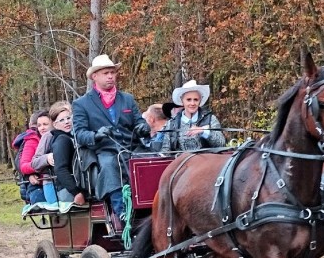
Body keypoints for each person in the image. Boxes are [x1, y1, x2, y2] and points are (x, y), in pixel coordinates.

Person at [72, 54, 151, 225]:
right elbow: (79, 134)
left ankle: (155, 206)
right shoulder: (81, 104)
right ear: (95, 76)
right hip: (104, 150)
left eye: (113, 73)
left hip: (132, 148)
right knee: (109, 165)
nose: (110, 76)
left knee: (152, 162)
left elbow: (139, 122)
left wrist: (143, 127)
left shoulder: (127, 99)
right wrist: (96, 135)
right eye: (106, 73)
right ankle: (122, 211)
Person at [160, 80, 225, 152]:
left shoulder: (210, 119)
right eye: (188, 100)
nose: (192, 103)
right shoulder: (171, 124)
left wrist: (204, 131)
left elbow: (221, 144)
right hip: (182, 162)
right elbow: (166, 151)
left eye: (196, 100)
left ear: (200, 101)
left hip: (207, 162)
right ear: (182, 101)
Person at [48, 102, 88, 205]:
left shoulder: (70, 137)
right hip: (68, 191)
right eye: (62, 120)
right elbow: (60, 169)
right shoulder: (62, 140)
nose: (66, 122)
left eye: (68, 118)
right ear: (55, 124)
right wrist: (76, 192)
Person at [15, 110, 52, 204]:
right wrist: (42, 164)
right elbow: (24, 165)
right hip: (39, 184)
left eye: (45, 124)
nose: (42, 128)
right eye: (39, 125)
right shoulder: (32, 141)